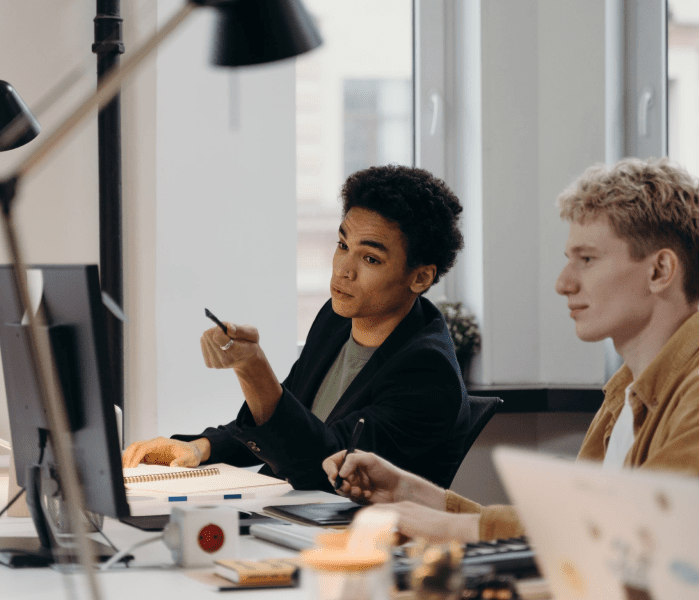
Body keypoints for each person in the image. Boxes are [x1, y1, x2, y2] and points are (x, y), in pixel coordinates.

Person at [323, 158, 699, 593]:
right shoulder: (629, 391)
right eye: (569, 259)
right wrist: (417, 495)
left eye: (587, 259)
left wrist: (443, 529)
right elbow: (578, 529)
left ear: (660, 271)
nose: (564, 282)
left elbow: (644, 558)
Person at [122, 165, 473, 491]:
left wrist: (252, 367)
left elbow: (325, 466)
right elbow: (291, 419)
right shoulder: (337, 320)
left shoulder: (428, 372)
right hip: (287, 517)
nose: (343, 270)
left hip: (354, 543)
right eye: (342, 245)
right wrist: (199, 447)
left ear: (421, 276)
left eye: (370, 259)